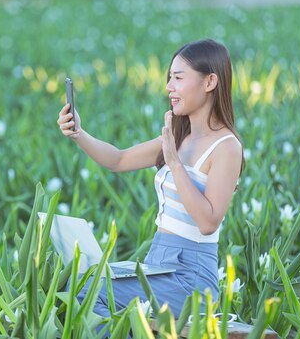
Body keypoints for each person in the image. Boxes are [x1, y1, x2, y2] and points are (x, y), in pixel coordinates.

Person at [56, 39, 245, 331]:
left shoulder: (226, 147)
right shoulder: (179, 138)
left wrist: (174, 161)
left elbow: (208, 222)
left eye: (178, 78)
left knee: (88, 291)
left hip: (190, 278)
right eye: (169, 78)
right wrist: (78, 133)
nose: (169, 87)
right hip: (157, 265)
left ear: (210, 82)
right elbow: (118, 160)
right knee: (75, 280)